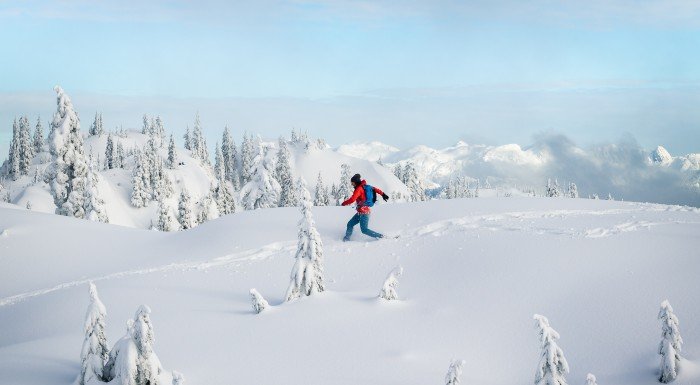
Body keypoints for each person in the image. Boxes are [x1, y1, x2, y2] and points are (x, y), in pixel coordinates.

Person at [341, 173, 389, 241]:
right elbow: (376, 189)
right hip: (360, 212)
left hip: (364, 212)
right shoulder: (366, 186)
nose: (352, 184)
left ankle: (381, 237)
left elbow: (352, 199)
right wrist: (383, 194)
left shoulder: (359, 189)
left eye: (353, 183)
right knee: (350, 224)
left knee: (364, 230)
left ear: (356, 182)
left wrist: (343, 203)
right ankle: (346, 238)